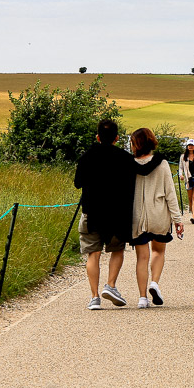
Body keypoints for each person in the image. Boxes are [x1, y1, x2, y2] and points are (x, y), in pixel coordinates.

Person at [73, 118, 159, 310]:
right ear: (117, 138)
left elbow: (77, 183)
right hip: (117, 215)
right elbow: (136, 181)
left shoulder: (87, 157)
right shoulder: (125, 158)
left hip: (91, 213)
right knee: (117, 250)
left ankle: (94, 297)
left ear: (97, 137)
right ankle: (110, 285)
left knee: (92, 254)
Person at [130, 128, 185, 309]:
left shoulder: (129, 164)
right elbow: (170, 193)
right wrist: (177, 219)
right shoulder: (162, 164)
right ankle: (154, 282)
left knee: (141, 257)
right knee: (159, 251)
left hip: (137, 215)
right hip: (159, 214)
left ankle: (142, 298)